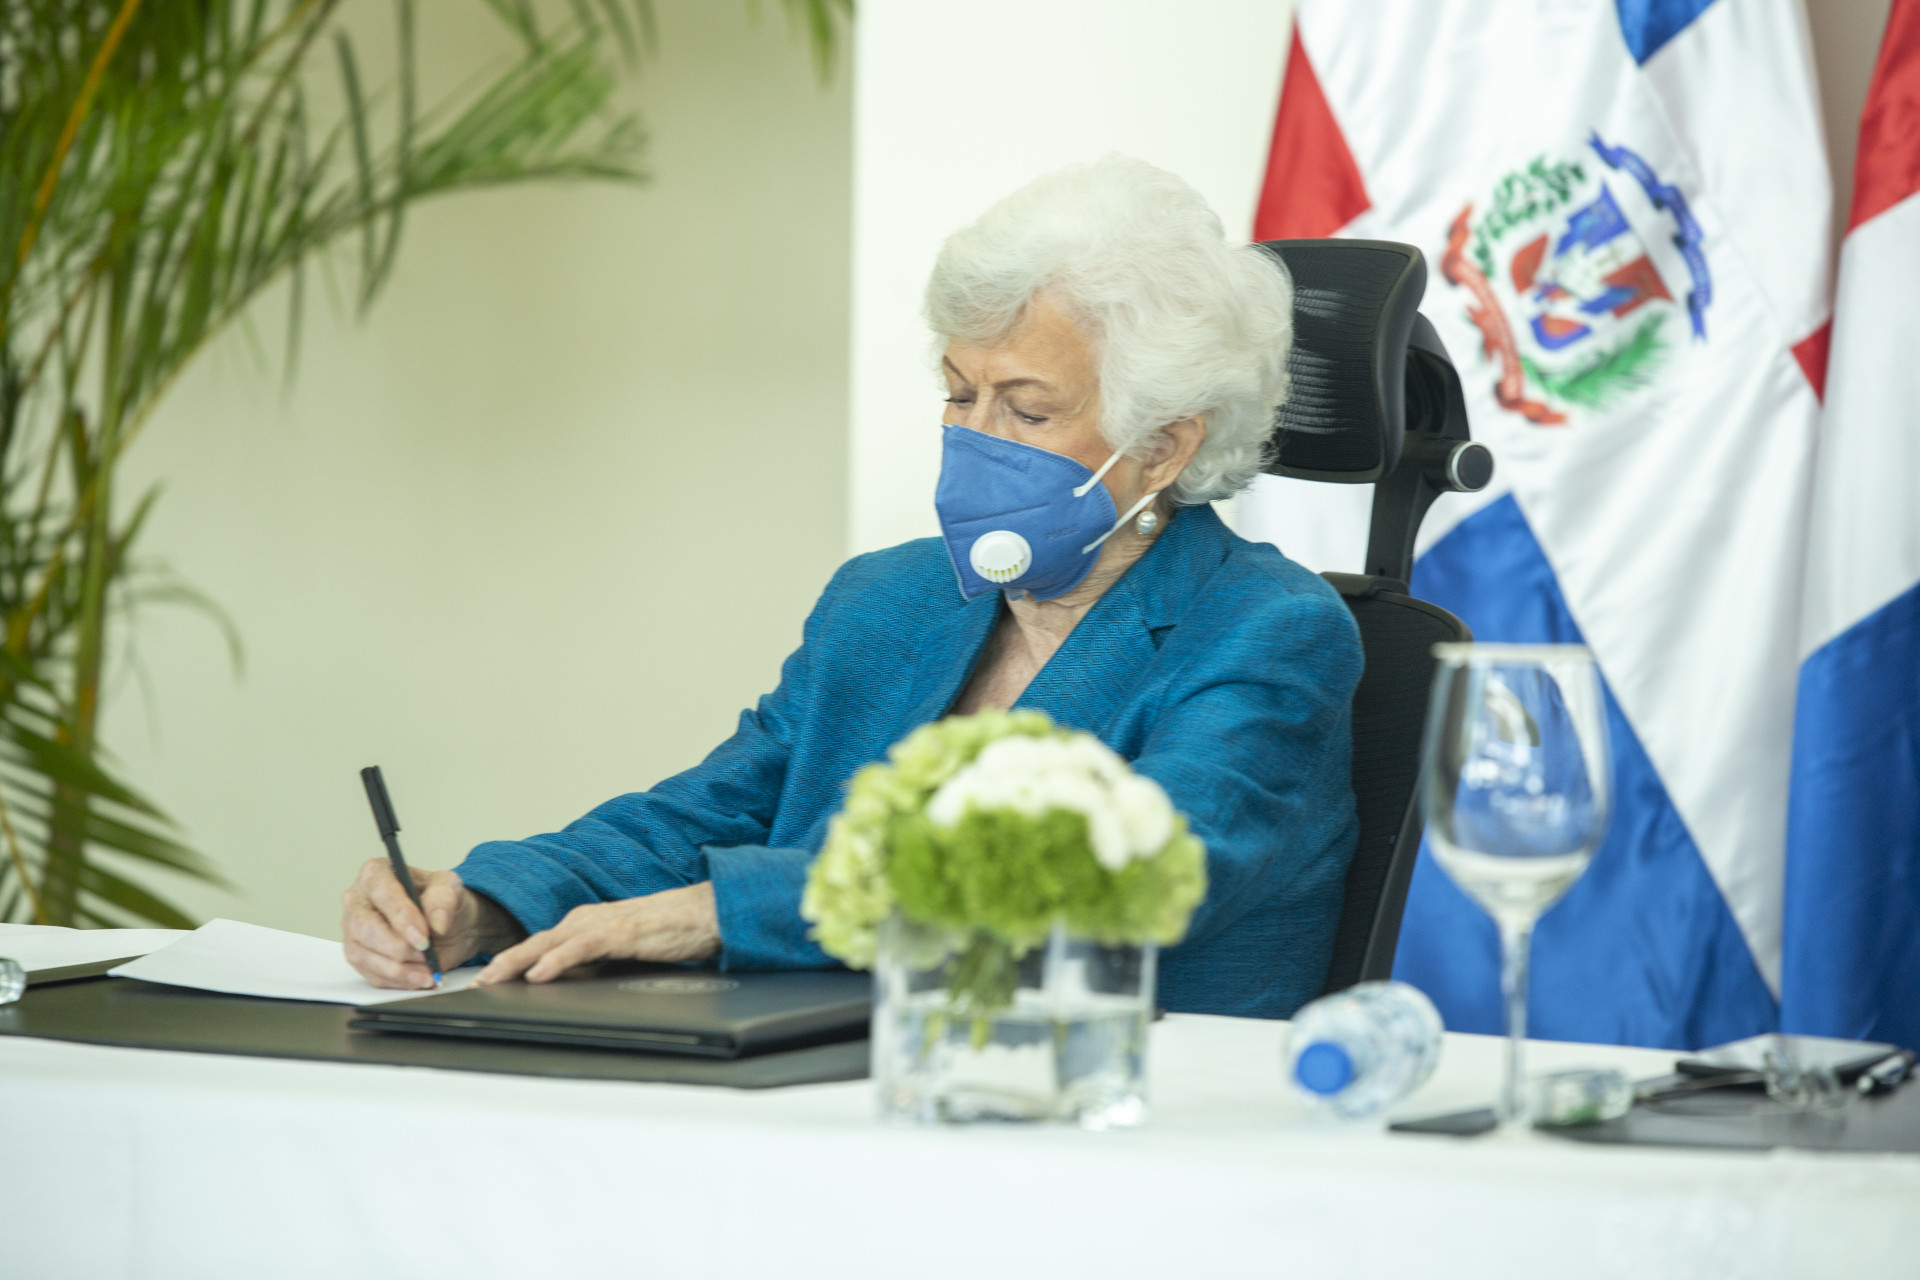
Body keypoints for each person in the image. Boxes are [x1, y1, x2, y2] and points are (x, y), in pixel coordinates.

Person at [341, 155, 1363, 1018]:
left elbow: (1115, 871)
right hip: (838, 1087)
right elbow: (712, 813)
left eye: (1026, 409)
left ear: (1164, 445)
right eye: (959, 394)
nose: (974, 439)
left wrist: (722, 912)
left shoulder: (1269, 631)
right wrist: (489, 901)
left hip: (1124, 1120)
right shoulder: (888, 600)